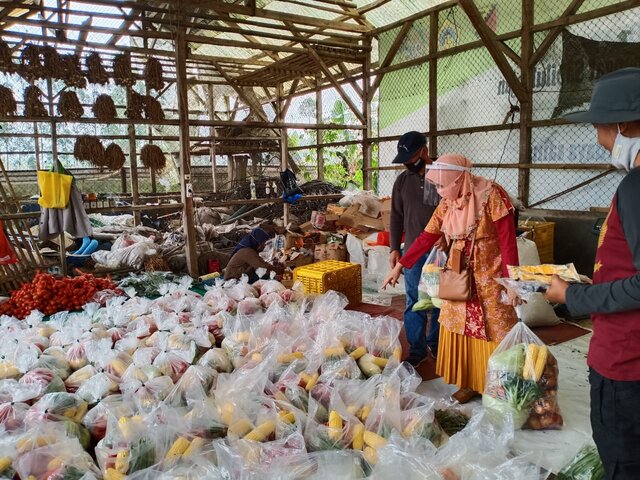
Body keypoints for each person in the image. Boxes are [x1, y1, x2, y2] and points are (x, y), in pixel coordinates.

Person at [544, 67, 640, 480]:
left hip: (627, 360)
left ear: (625, 125)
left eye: (601, 127)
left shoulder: (637, 187)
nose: (601, 141)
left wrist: (572, 298)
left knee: (623, 462)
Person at [383, 154, 519, 403]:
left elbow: (508, 242)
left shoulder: (492, 195)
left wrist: (512, 282)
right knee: (461, 329)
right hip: (457, 276)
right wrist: (400, 265)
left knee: (495, 329)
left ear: (459, 179)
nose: (439, 191)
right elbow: (426, 237)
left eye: (442, 185)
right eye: (437, 186)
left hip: (490, 277)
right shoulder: (448, 202)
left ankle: (496, 386)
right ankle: (469, 383)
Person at [389, 131, 441, 367]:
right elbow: (396, 216)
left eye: (410, 158)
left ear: (424, 152)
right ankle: (417, 350)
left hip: (442, 251)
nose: (408, 164)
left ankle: (437, 344)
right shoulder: (402, 181)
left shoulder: (442, 175)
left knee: (441, 301)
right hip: (412, 253)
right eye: (404, 160)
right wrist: (394, 248)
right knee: (414, 302)